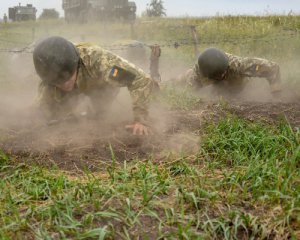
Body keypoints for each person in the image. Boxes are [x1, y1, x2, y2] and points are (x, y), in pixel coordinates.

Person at [33, 36, 158, 135]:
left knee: (100, 115)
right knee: (53, 117)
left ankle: (96, 113)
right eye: (57, 82)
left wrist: (140, 120)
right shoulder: (48, 77)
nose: (64, 84)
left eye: (67, 78)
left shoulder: (99, 62)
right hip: (75, 87)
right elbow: (41, 110)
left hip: (100, 85)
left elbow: (139, 79)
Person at [178, 47, 282, 97]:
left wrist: (276, 93)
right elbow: (188, 96)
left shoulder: (238, 65)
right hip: (215, 90)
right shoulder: (198, 73)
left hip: (238, 86)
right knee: (185, 77)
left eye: (222, 74)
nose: (221, 76)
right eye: (217, 76)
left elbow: (272, 67)